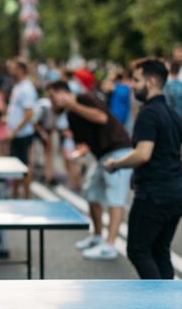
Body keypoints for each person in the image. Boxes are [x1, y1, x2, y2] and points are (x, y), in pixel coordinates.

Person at [103, 59, 182, 280]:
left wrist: (115, 164)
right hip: (176, 194)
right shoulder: (173, 113)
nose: (132, 85)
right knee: (160, 251)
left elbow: (143, 154)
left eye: (136, 80)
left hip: (154, 195)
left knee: (138, 250)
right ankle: (166, 302)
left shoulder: (148, 114)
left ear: (151, 82)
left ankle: (157, 304)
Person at [49, 80, 132, 260]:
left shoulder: (84, 98)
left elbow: (101, 117)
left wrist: (74, 105)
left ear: (62, 92)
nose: (51, 101)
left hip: (118, 150)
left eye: (52, 96)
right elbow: (83, 142)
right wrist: (76, 154)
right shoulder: (70, 115)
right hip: (101, 155)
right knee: (92, 194)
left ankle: (110, 245)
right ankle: (97, 236)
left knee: (115, 198)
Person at [5, 59, 38, 198]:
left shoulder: (26, 88)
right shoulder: (18, 86)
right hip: (17, 134)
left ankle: (26, 196)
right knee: (15, 166)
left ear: (21, 70)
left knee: (23, 166)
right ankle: (15, 194)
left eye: (14, 68)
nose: (10, 70)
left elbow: (28, 114)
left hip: (22, 134)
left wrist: (15, 130)